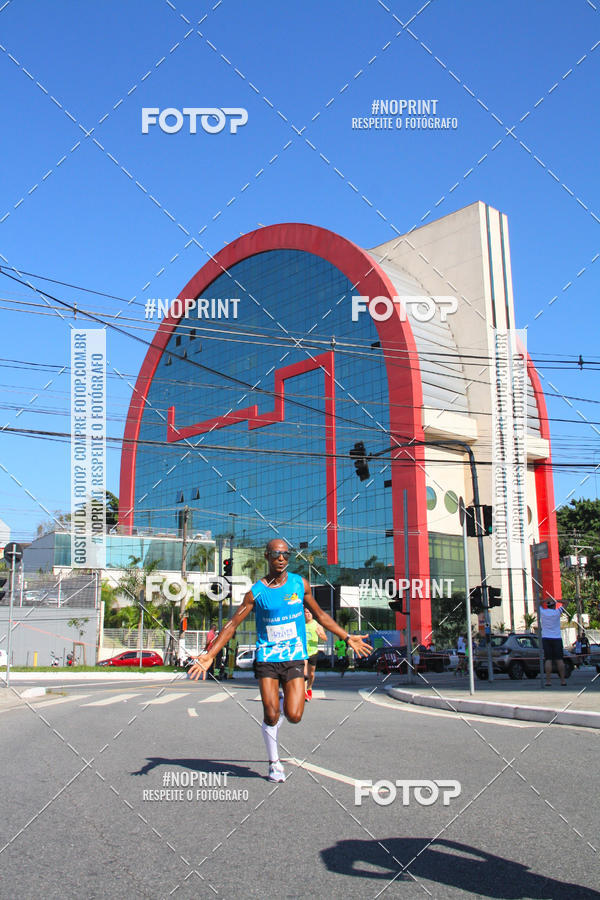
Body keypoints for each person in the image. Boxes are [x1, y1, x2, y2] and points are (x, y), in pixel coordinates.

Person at [188, 539, 372, 782]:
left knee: (294, 715)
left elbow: (320, 615)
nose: (282, 558)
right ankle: (274, 763)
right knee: (271, 715)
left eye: (286, 554)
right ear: (267, 556)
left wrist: (347, 637)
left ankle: (284, 699)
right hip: (267, 658)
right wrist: (210, 655)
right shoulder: (257, 592)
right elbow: (232, 624)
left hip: (294, 657)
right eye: (276, 553)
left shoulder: (300, 584)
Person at [539, 598, 566, 686]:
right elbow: (566, 603)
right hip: (557, 638)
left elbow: (537, 603)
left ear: (547, 605)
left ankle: (548, 681)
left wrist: (545, 600)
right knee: (559, 660)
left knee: (548, 660)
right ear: (554, 606)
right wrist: (557, 600)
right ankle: (562, 680)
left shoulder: (543, 612)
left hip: (546, 638)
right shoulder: (557, 612)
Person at [304, 608, 326, 700]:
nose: (308, 614)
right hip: (303, 652)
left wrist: (321, 635)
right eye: (306, 612)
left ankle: (309, 687)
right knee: (304, 674)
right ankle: (304, 692)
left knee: (311, 674)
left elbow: (325, 638)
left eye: (310, 612)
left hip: (313, 652)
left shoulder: (316, 625)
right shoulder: (301, 624)